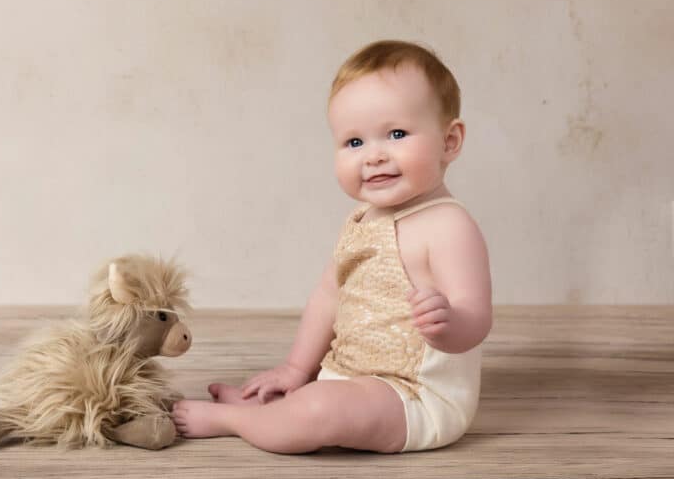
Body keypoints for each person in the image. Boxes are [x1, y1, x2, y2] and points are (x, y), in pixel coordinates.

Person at [172, 40, 492, 454]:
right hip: (348, 377)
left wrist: (450, 325)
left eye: (396, 134)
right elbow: (329, 297)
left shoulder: (448, 225)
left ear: (450, 141)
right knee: (319, 398)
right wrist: (295, 368)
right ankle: (283, 405)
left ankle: (234, 420)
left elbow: (477, 316)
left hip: (415, 398)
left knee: (321, 409)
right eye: (354, 142)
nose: (374, 156)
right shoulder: (360, 219)